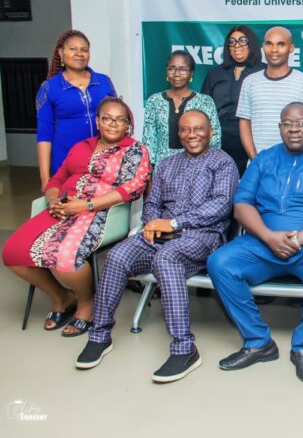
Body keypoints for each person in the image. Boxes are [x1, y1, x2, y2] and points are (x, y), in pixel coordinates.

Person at [75, 110, 238, 383]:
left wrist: (173, 223)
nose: (191, 135)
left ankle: (185, 349)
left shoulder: (222, 162)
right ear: (179, 133)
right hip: (159, 235)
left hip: (202, 236)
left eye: (198, 129)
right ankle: (100, 335)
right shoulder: (166, 164)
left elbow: (220, 207)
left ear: (211, 132)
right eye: (185, 130)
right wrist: (151, 224)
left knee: (167, 258)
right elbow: (152, 203)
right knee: (116, 257)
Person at [207, 102, 303, 382]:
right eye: (287, 123)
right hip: (266, 242)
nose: (294, 129)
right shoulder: (264, 159)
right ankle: (257, 341)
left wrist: (300, 238)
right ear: (280, 128)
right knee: (221, 262)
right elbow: (242, 205)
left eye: (301, 123)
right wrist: (267, 236)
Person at [3, 97, 151, 337]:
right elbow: (57, 179)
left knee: (64, 257)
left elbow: (132, 188)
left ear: (128, 126)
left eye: (120, 120)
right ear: (98, 121)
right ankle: (61, 297)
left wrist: (85, 205)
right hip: (62, 207)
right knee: (12, 252)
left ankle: (85, 303)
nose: (113, 124)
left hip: (101, 211)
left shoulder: (135, 150)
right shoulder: (81, 146)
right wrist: (53, 202)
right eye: (107, 118)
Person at [36, 29, 117, 191]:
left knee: (101, 210)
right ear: (61, 52)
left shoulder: (104, 82)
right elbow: (44, 136)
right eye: (73, 49)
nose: (79, 53)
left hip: (104, 160)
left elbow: (119, 118)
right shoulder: (49, 88)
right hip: (66, 163)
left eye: (84, 50)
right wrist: (45, 178)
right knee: (69, 210)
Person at [237, 27, 303, 158]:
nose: (274, 50)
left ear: (291, 48)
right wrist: (255, 159)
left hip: (296, 165)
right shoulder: (250, 82)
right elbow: (244, 123)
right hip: (259, 164)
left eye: (281, 44)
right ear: (263, 46)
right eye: (269, 44)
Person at [202, 25, 267, 176]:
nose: (237, 45)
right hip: (219, 141)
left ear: (252, 44)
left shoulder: (264, 71)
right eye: (232, 42)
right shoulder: (215, 73)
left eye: (242, 40)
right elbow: (204, 109)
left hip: (252, 137)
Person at [142, 50, 221, 165]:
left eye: (183, 69)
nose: (176, 74)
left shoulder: (205, 102)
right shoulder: (154, 101)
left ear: (191, 73)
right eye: (171, 68)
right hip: (162, 167)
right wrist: (150, 169)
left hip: (198, 166)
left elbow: (215, 138)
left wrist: (204, 163)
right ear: (167, 72)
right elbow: (148, 140)